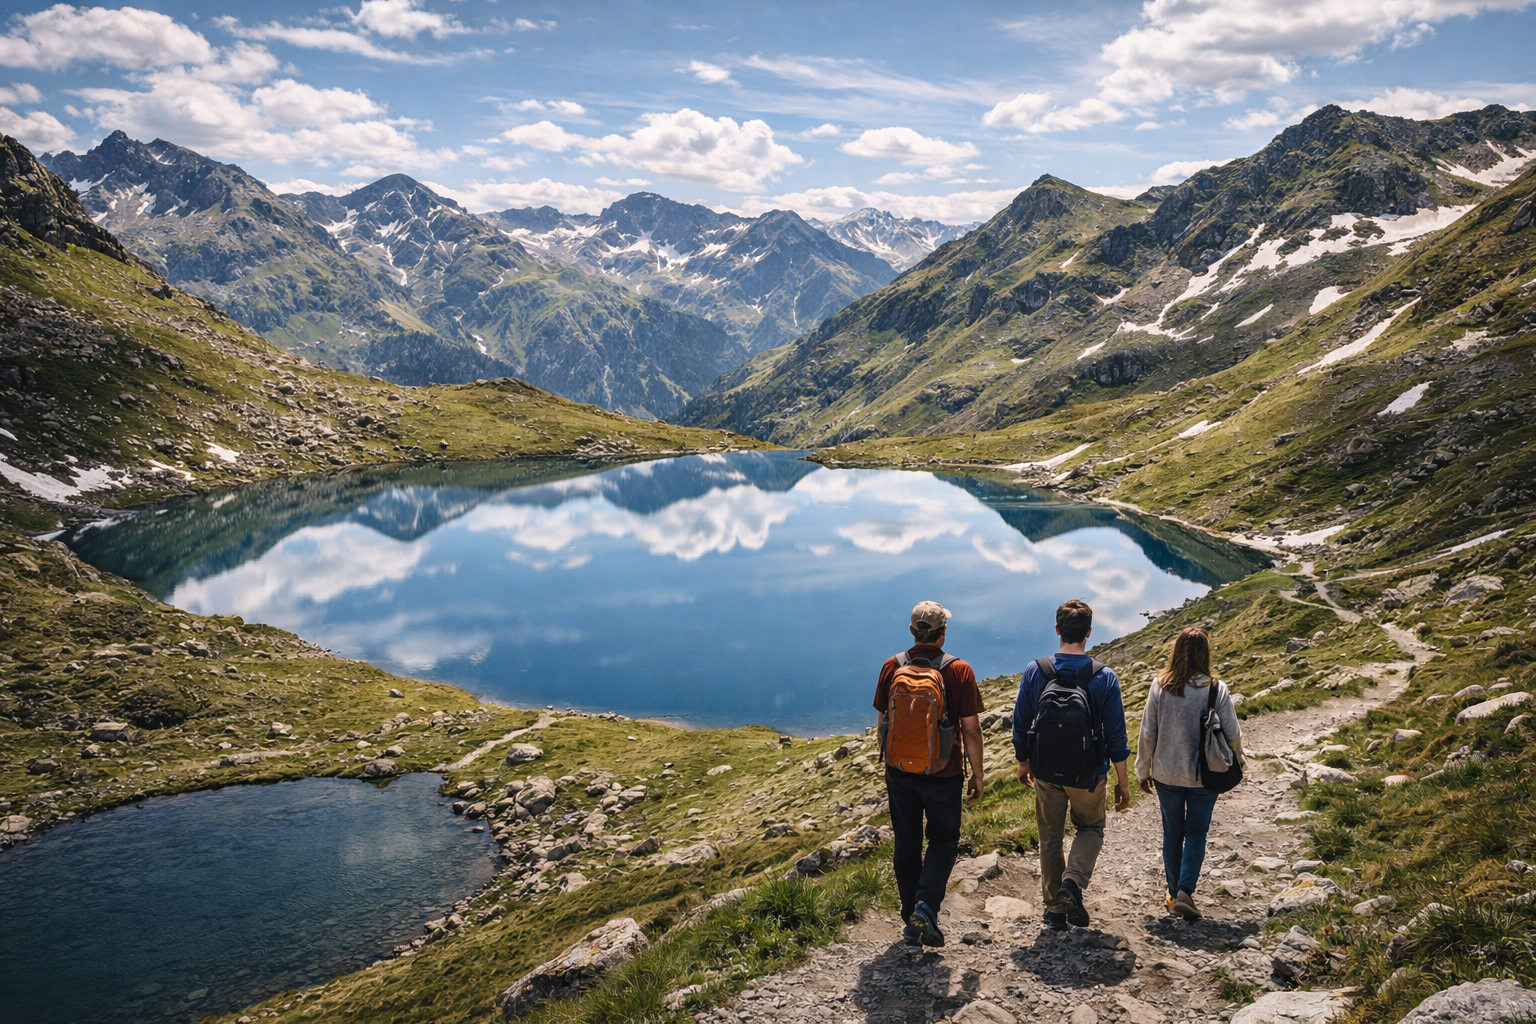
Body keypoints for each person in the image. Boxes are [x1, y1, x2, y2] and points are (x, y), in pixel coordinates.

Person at [1013, 599, 1131, 931]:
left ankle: (1054, 910)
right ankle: (1073, 883)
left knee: (1050, 836)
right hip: (1088, 774)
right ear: (1089, 633)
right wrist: (1122, 782)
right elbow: (1116, 736)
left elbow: (1021, 723)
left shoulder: (1036, 670)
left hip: (1045, 770)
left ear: (1057, 630)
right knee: (1090, 828)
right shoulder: (1104, 676)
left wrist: (1023, 762)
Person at [875, 600, 984, 948]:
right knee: (943, 840)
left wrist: (891, 762)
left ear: (912, 631)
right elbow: (970, 729)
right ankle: (925, 907)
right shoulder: (959, 670)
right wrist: (978, 774)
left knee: (906, 843)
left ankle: (912, 915)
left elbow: (883, 724)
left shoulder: (892, 666)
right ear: (943, 632)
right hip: (943, 772)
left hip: (900, 772)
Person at [1135, 626, 1245, 921]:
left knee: (1172, 833)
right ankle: (1185, 891)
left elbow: (1148, 733)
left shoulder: (1160, 686)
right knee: (1196, 832)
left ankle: (1173, 895)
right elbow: (1233, 733)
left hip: (1166, 773)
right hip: (1205, 775)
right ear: (1205, 654)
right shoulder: (1216, 689)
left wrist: (1142, 770)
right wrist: (1238, 760)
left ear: (1176, 651)